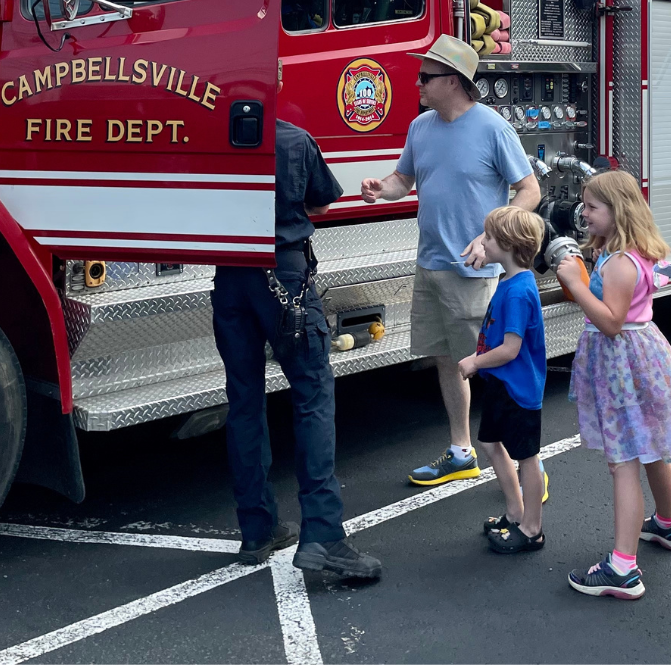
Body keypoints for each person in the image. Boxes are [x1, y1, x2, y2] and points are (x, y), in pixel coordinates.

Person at [210, 70, 381, 579]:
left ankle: (257, 528)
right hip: (284, 275)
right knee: (311, 396)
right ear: (277, 81)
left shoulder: (211, 140)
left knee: (242, 399)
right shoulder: (294, 139)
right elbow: (321, 201)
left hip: (230, 276)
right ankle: (324, 537)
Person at [360, 34, 540, 486]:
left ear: (455, 82)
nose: (417, 83)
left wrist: (491, 236)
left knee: (495, 365)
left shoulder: (492, 127)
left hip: (475, 270)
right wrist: (384, 188)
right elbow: (404, 179)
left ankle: (527, 464)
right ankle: (462, 451)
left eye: (426, 76)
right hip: (432, 264)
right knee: (447, 360)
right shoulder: (421, 126)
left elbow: (530, 190)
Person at [556, 170, 671, 601]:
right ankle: (667, 523)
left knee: (623, 461)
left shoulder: (620, 262)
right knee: (650, 444)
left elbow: (611, 322)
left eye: (592, 207)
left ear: (617, 211)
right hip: (642, 356)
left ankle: (622, 567)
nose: (585, 214)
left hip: (622, 360)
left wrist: (576, 285)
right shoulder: (630, 252)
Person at [458, 206, 548, 554]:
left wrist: (475, 362)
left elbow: (511, 349)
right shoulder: (510, 282)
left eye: (490, 237)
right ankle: (515, 512)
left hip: (518, 387)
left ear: (509, 245)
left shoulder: (518, 291)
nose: (484, 241)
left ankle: (532, 528)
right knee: (491, 444)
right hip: (503, 383)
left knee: (527, 456)